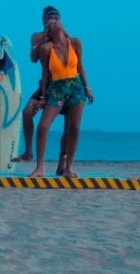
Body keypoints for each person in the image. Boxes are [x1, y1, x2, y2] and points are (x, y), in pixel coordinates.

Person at [28, 15, 93, 178]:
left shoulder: (75, 43)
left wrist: (87, 87)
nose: (55, 23)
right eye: (52, 24)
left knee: (74, 128)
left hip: (76, 88)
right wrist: (43, 97)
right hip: (57, 89)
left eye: (57, 21)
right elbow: (45, 73)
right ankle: (39, 168)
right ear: (49, 31)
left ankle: (68, 168)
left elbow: (80, 66)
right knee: (43, 127)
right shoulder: (47, 48)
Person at [13, 6, 59, 166]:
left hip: (59, 85)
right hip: (44, 84)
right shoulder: (37, 37)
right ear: (44, 20)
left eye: (56, 18)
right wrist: (45, 34)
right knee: (27, 113)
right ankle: (28, 152)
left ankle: (61, 161)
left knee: (46, 125)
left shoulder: (61, 37)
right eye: (50, 18)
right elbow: (33, 58)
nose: (53, 21)